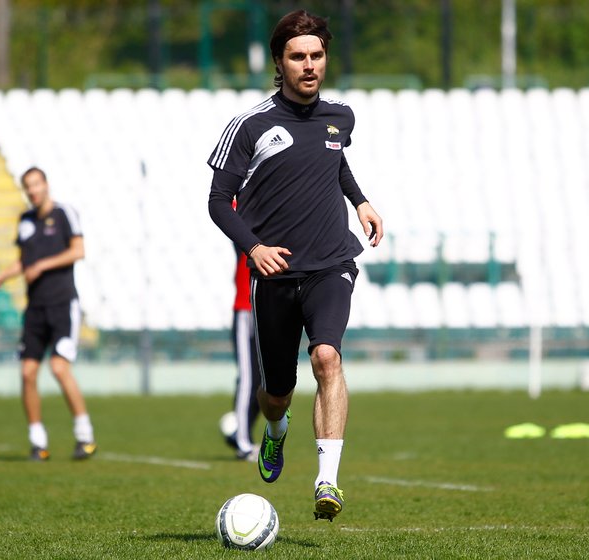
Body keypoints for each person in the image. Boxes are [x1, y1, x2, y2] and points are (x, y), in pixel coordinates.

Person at [207, 9, 384, 521]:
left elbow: (336, 158)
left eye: (317, 55)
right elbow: (219, 201)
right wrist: (253, 249)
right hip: (275, 274)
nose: (309, 65)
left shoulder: (341, 116)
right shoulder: (250, 125)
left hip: (333, 262)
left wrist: (361, 201)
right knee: (277, 394)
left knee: (327, 357)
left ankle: (327, 481)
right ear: (279, 63)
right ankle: (276, 433)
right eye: (298, 56)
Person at [0, 167, 97, 461]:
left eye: (37, 184)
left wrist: (44, 265)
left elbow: (78, 251)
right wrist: (6, 274)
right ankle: (38, 441)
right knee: (27, 372)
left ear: (46, 185)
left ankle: (85, 435)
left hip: (63, 305)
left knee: (59, 368)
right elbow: (25, 262)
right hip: (35, 308)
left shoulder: (65, 213)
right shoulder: (25, 221)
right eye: (28, 186)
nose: (33, 190)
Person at [224, 250, 261, 461]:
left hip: (269, 307)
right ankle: (243, 443)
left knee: (267, 381)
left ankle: (241, 434)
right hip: (247, 309)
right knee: (249, 379)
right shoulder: (248, 221)